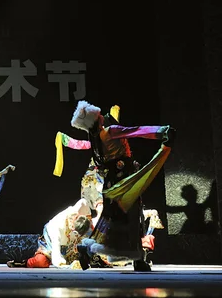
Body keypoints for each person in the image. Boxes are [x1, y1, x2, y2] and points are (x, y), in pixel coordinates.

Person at [69, 100, 175, 271]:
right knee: (132, 218)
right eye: (99, 114)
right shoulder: (110, 132)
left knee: (113, 222)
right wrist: (162, 131)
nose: (103, 116)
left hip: (112, 184)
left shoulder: (96, 140)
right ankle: (138, 259)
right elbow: (137, 131)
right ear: (97, 119)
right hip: (124, 182)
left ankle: (89, 248)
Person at [7, 198, 100, 268]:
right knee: (41, 261)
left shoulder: (79, 211)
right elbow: (56, 257)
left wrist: (89, 220)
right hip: (52, 242)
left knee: (91, 249)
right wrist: (66, 266)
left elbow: (83, 201)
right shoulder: (56, 226)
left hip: (71, 243)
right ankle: (24, 263)